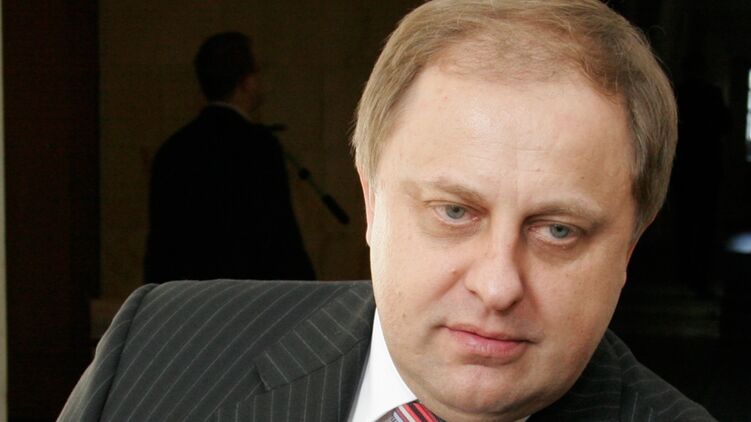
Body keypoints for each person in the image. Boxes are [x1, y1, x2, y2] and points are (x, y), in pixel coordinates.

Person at [61, 1, 716, 421]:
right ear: (371, 202)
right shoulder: (156, 347)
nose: (496, 286)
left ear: (629, 247)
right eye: (454, 211)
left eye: (558, 230)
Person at [144, 32, 315, 283]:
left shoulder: (172, 150)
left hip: (189, 299)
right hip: (246, 298)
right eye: (257, 72)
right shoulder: (258, 147)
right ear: (246, 82)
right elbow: (279, 237)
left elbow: (161, 246)